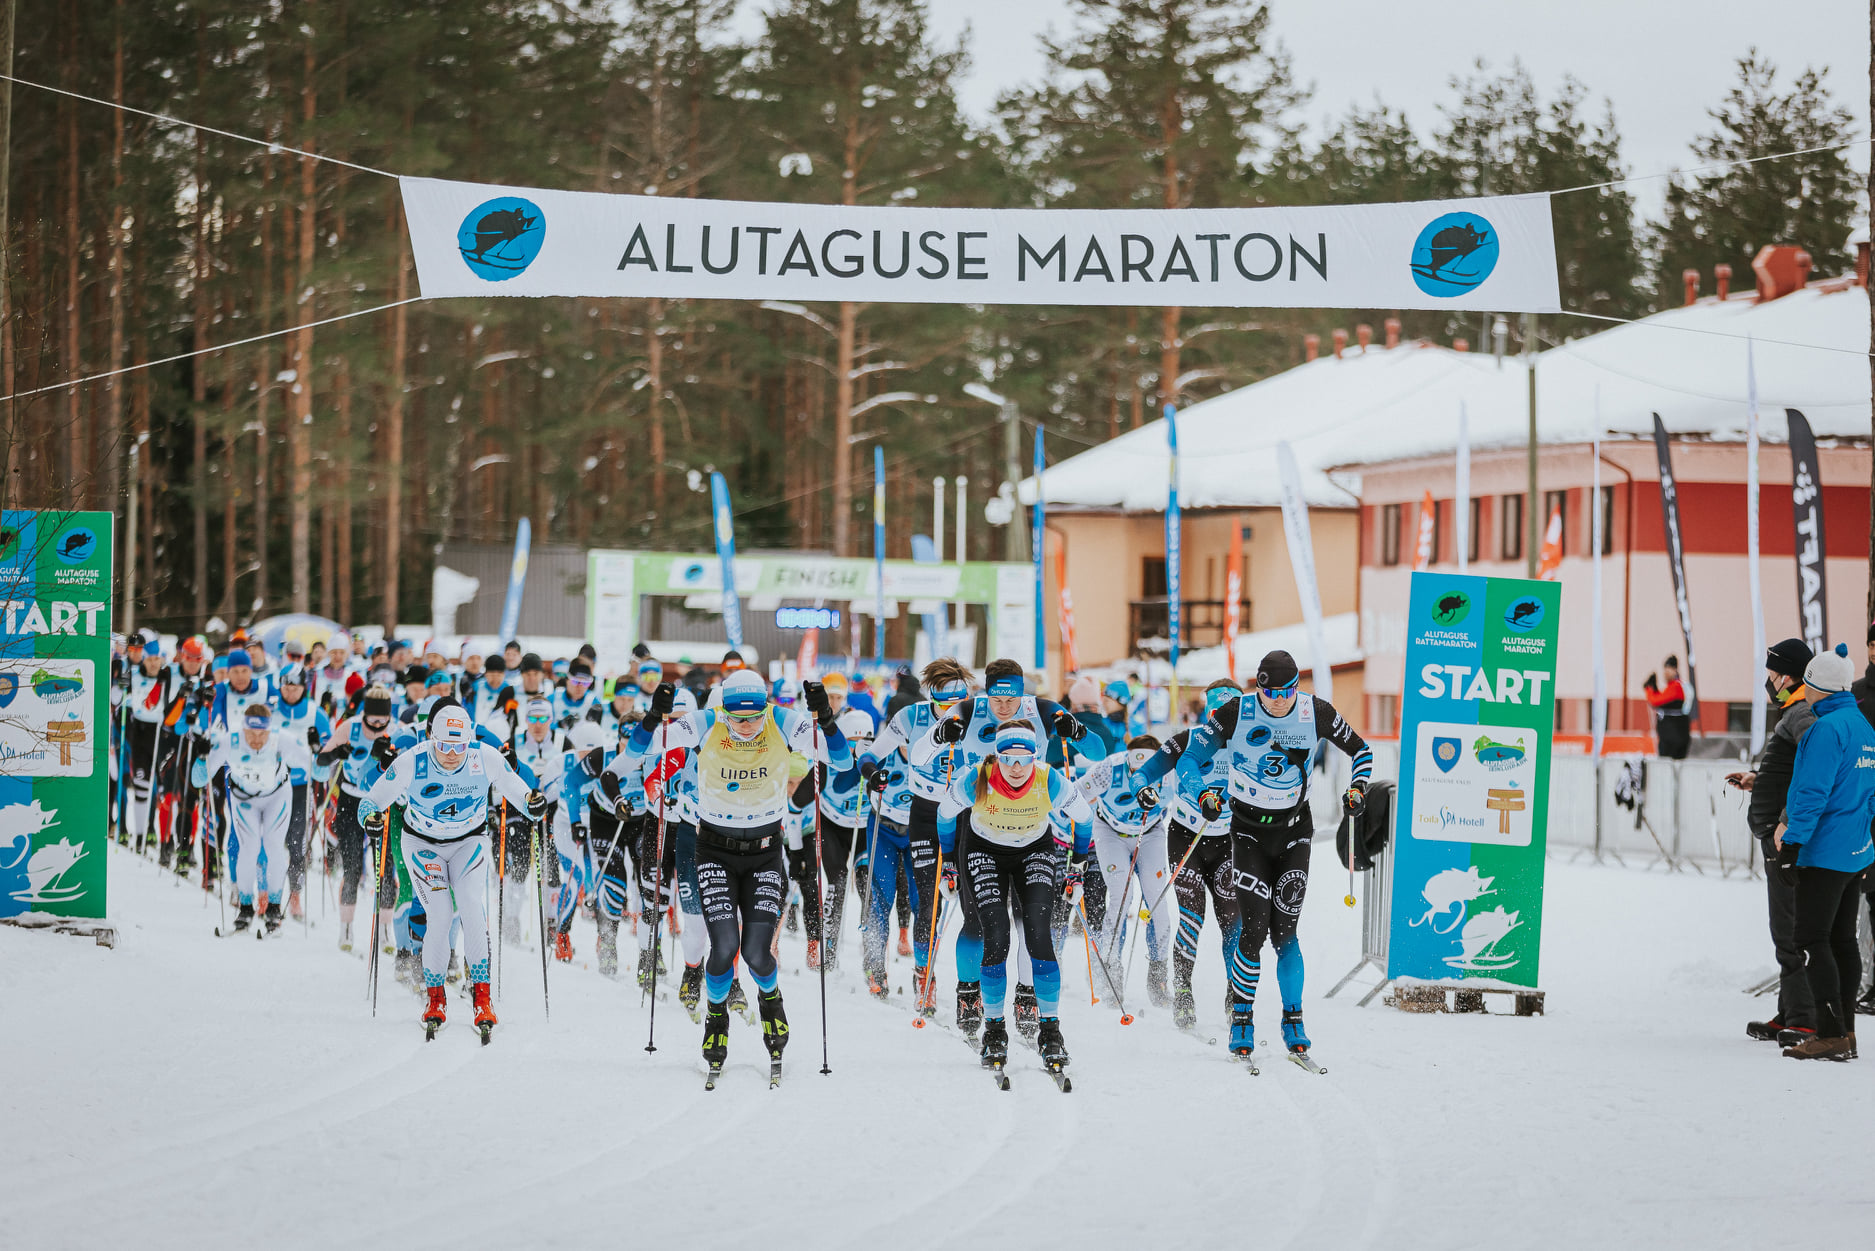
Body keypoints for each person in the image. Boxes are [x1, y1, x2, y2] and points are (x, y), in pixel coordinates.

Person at [1139, 649, 1372, 1065]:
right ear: (1258, 687)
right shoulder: (1235, 712)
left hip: (1294, 833)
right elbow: (1188, 757)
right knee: (1251, 930)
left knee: (1285, 934)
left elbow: (1362, 750)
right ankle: (1240, 1016)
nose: (1279, 699)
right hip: (1243, 833)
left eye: (1287, 691)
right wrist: (1203, 793)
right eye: (1270, 691)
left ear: (1296, 688)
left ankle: (1293, 1019)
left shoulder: (1314, 711)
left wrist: (1357, 789)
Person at [617, 670, 849, 1079]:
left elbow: (843, 761)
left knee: (758, 954)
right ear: (723, 708)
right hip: (714, 852)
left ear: (765, 708)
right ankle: (716, 1016)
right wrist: (655, 716)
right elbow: (640, 750)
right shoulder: (707, 722)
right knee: (723, 947)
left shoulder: (783, 720)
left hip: (764, 854)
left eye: (753, 717)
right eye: (737, 717)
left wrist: (826, 719)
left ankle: (771, 1000)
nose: (745, 726)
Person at [360, 704, 542, 1039]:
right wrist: (370, 819)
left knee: (472, 909)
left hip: (467, 842)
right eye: (443, 746)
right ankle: (435, 998)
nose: (451, 755)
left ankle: (482, 998)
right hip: (421, 844)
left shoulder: (482, 756)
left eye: (458, 747)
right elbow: (370, 800)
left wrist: (532, 800)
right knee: (440, 916)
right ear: (431, 738)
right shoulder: (412, 760)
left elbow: (515, 785)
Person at [939, 722, 1094, 1080]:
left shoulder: (1050, 779)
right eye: (1008, 759)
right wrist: (948, 862)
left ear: (1035, 758)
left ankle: (1051, 1030)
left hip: (1035, 851)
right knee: (997, 933)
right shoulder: (977, 778)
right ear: (998, 757)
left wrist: (1077, 869)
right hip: (983, 851)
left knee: (1038, 935)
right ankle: (994, 1029)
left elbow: (1084, 821)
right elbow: (944, 815)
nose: (1016, 768)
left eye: (1025, 760)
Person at [1776, 644, 1875, 1061]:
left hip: (1825, 852)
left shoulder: (1825, 730)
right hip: (1856, 850)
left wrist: (1792, 844)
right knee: (1842, 940)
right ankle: (1846, 1032)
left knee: (1811, 937)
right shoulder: (1863, 726)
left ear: (1817, 688)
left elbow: (1810, 795)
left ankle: (1830, 1032)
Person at [1727, 639, 1817, 1044]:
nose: (1769, 682)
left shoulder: (1802, 712)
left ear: (1789, 675)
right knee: (1784, 927)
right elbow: (1788, 771)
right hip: (1778, 837)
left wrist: (1783, 821)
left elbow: (1813, 773)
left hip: (1788, 840)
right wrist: (1757, 780)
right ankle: (1789, 1010)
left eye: (1772, 674)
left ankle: (1804, 1017)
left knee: (1791, 930)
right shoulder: (1793, 710)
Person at [1149, 679, 1244, 1032]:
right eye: (1218, 712)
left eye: (1232, 712)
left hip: (1228, 843)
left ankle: (1236, 997)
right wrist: (1144, 789)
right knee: (1192, 919)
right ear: (1209, 711)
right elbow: (1151, 771)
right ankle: (1184, 993)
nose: (1225, 720)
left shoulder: (1251, 745)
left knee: (1232, 923)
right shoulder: (1189, 740)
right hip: (1187, 837)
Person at [313, 684, 420, 962]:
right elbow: (321, 760)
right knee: (352, 867)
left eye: (381, 720)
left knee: (385, 869)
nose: (376, 725)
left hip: (380, 804)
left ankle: (384, 930)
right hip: (350, 802)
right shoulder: (349, 727)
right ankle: (346, 929)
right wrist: (338, 754)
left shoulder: (396, 731)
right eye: (371, 719)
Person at [1072, 734, 1172, 1012]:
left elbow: (1192, 796)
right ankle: (1111, 969)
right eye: (1134, 769)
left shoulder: (1169, 771)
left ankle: (1158, 975)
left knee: (1158, 900)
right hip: (1110, 832)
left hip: (1150, 832)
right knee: (1120, 897)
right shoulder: (1109, 768)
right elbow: (1075, 793)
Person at [194, 703, 313, 934]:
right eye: (252, 733)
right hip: (243, 798)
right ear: (243, 729)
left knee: (273, 846)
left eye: (262, 734)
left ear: (270, 730)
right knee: (248, 848)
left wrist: (317, 749)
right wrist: (201, 756)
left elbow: (316, 769)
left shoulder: (282, 740)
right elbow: (199, 780)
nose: (257, 739)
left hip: (277, 796)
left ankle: (274, 909)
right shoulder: (231, 740)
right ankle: (246, 908)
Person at [786, 708, 876, 971]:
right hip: (831, 828)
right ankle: (828, 946)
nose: (856, 749)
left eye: (863, 743)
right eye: (850, 742)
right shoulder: (825, 765)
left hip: (862, 828)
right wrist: (795, 851)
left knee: (866, 885)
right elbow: (794, 806)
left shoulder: (876, 762)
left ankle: (873, 953)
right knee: (836, 882)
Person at [272, 663, 331, 921]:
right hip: (273, 785)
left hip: (300, 787)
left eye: (295, 686)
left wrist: (318, 748)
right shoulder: (271, 711)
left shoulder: (315, 714)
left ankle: (295, 895)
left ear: (303, 687)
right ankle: (267, 894)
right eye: (286, 685)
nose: (290, 691)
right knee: (271, 841)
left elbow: (328, 751)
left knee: (297, 842)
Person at [1643, 655, 1692, 759]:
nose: (1665, 674)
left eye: (1668, 670)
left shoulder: (1676, 687)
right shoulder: (1673, 687)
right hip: (1674, 735)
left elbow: (1656, 701)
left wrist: (1648, 689)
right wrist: (1654, 689)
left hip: (1673, 738)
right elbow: (1663, 700)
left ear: (1674, 670)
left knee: (1667, 765)